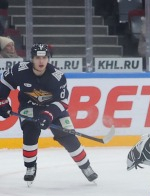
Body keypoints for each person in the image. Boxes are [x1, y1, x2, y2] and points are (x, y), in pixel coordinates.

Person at [0, 44, 98, 185]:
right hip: (29, 106)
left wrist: (48, 115)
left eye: (44, 57)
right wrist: (2, 102)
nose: (41, 61)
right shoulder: (19, 70)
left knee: (68, 136)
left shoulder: (57, 77)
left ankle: (86, 166)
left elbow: (63, 101)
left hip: (54, 108)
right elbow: (4, 83)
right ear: (32, 59)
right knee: (30, 131)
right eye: (37, 58)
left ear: (48, 59)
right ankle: (30, 167)